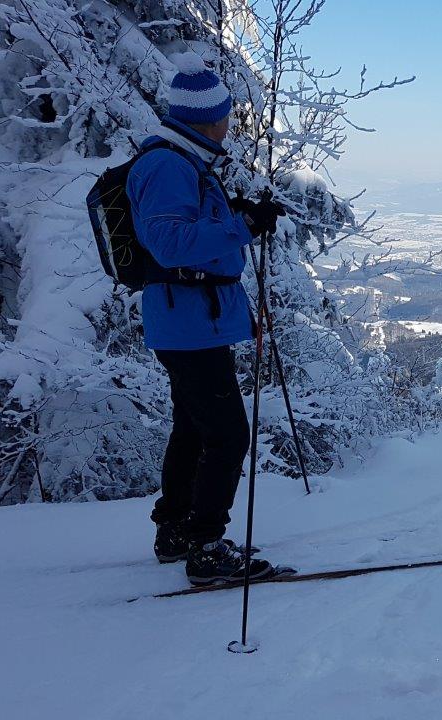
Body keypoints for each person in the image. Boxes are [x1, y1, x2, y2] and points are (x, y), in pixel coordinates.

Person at [127, 53, 282, 585]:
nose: (229, 123)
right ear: (206, 119)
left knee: (194, 429)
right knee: (227, 436)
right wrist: (239, 227)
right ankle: (206, 546)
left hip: (188, 321)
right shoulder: (169, 164)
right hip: (188, 323)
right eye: (224, 115)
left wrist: (232, 212)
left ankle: (175, 529)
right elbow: (170, 243)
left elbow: (184, 226)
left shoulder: (183, 161)